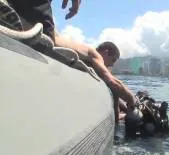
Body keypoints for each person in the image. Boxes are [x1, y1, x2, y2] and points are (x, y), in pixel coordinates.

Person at [7, 0, 137, 120]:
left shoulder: (81, 52)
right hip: (41, 31)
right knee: (49, 38)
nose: (112, 65)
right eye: (112, 61)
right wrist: (132, 100)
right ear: (106, 52)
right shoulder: (94, 54)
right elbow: (112, 82)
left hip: (32, 19)